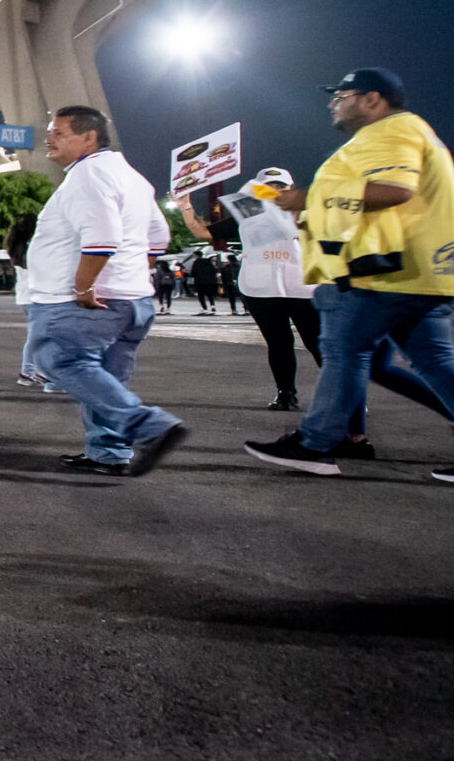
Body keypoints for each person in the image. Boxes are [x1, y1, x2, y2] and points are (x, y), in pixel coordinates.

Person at [247, 69, 454, 477]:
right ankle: (332, 438)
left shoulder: (391, 130)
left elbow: (395, 190)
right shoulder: (403, 133)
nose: (332, 103)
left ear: (372, 99)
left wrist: (310, 196)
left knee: (345, 353)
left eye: (341, 95)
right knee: (429, 362)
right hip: (416, 272)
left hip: (382, 274)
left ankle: (315, 443)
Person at [24, 106, 185, 475]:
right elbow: (159, 236)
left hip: (87, 302)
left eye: (59, 132)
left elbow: (102, 238)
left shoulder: (88, 174)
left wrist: (85, 286)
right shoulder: (132, 178)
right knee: (107, 378)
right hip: (132, 300)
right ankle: (108, 454)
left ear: (89, 137)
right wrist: (131, 275)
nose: (49, 138)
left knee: (58, 359)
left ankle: (151, 427)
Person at [191, 171, 318, 409]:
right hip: (262, 287)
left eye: (281, 185)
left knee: (319, 344)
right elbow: (203, 233)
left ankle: (347, 399)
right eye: (269, 186)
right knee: (278, 343)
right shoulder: (249, 216)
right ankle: (285, 394)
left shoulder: (310, 211)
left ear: (292, 189)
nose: (276, 190)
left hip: (304, 286)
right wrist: (185, 206)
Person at [7, 210, 47, 389]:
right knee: (37, 336)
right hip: (37, 295)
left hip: (25, 295)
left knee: (38, 335)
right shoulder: (35, 245)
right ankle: (28, 372)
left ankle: (34, 371)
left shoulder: (17, 245)